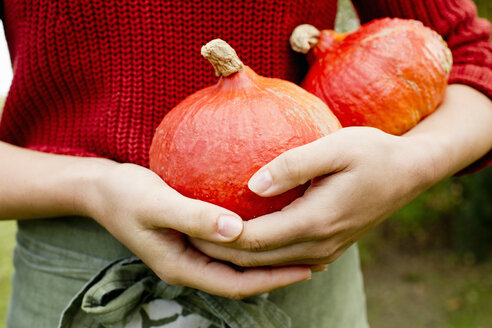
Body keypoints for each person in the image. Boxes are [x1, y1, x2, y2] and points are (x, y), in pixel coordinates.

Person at [0, 0, 491, 327]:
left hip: (308, 265)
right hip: (74, 277)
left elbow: (474, 57)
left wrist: (410, 164)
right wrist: (92, 187)